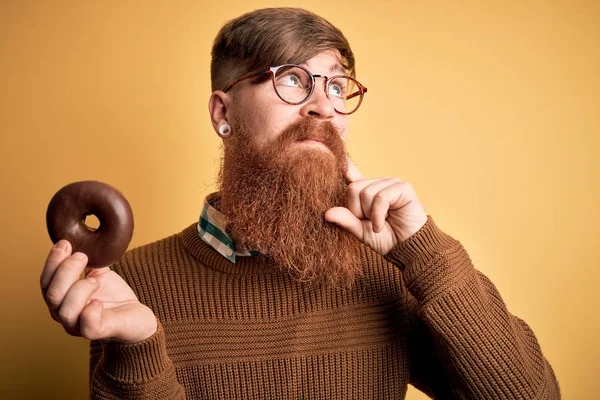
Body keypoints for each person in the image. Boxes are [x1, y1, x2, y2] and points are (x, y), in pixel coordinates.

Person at [40, 7, 560, 399]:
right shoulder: (132, 286)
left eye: (337, 86)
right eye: (292, 78)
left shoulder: (388, 271)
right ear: (224, 111)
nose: (322, 105)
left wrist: (427, 252)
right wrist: (138, 350)